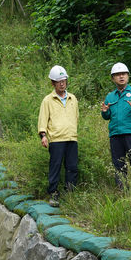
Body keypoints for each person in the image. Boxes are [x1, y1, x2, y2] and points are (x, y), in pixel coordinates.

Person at [101, 62, 131, 187]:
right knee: (118, 163)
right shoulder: (110, 96)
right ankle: (121, 188)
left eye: (124, 74)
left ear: (128, 76)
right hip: (115, 133)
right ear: (113, 78)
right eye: (117, 75)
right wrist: (105, 112)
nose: (121, 77)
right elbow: (106, 116)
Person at [38, 65, 79, 206]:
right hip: (56, 139)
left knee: (72, 167)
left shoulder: (73, 98)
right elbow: (43, 119)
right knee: (55, 167)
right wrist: (43, 135)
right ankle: (53, 193)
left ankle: (70, 194)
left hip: (72, 138)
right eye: (58, 81)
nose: (62, 83)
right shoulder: (48, 100)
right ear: (53, 83)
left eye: (64, 80)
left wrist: (74, 131)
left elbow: (76, 117)